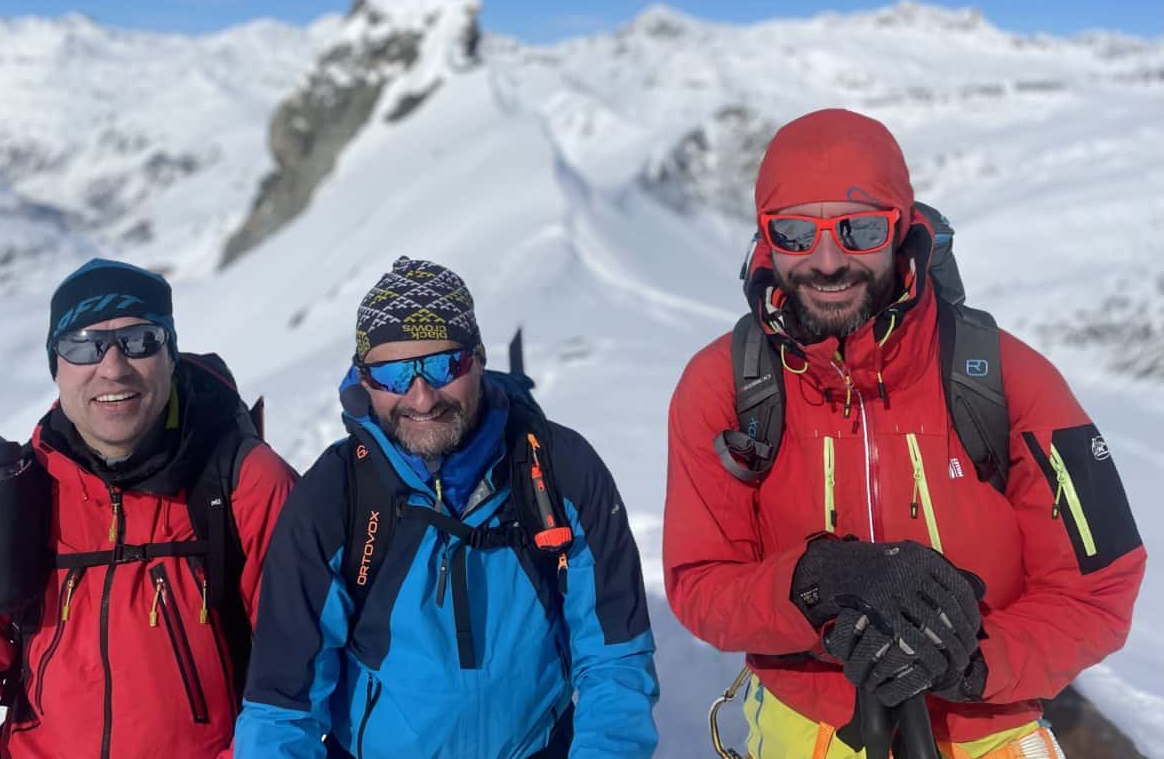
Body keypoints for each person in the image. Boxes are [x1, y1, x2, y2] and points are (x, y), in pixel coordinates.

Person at [663, 109, 1146, 757]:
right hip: (803, 726)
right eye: (795, 233)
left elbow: (1100, 590)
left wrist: (971, 662)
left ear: (902, 229)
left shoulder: (1009, 380)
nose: (827, 261)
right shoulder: (724, 387)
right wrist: (819, 579)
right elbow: (699, 583)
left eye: (859, 229)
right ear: (764, 238)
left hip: (982, 727)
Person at [235, 256, 659, 758]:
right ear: (365, 382)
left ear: (476, 358)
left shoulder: (558, 469)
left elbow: (616, 662)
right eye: (393, 375)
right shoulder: (336, 496)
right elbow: (282, 707)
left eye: (443, 365)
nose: (421, 396)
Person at [0, 258, 297, 759]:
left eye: (141, 340)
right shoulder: (10, 501)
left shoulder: (247, 485)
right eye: (83, 345)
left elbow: (294, 687)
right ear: (56, 366)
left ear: (170, 354)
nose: (113, 367)